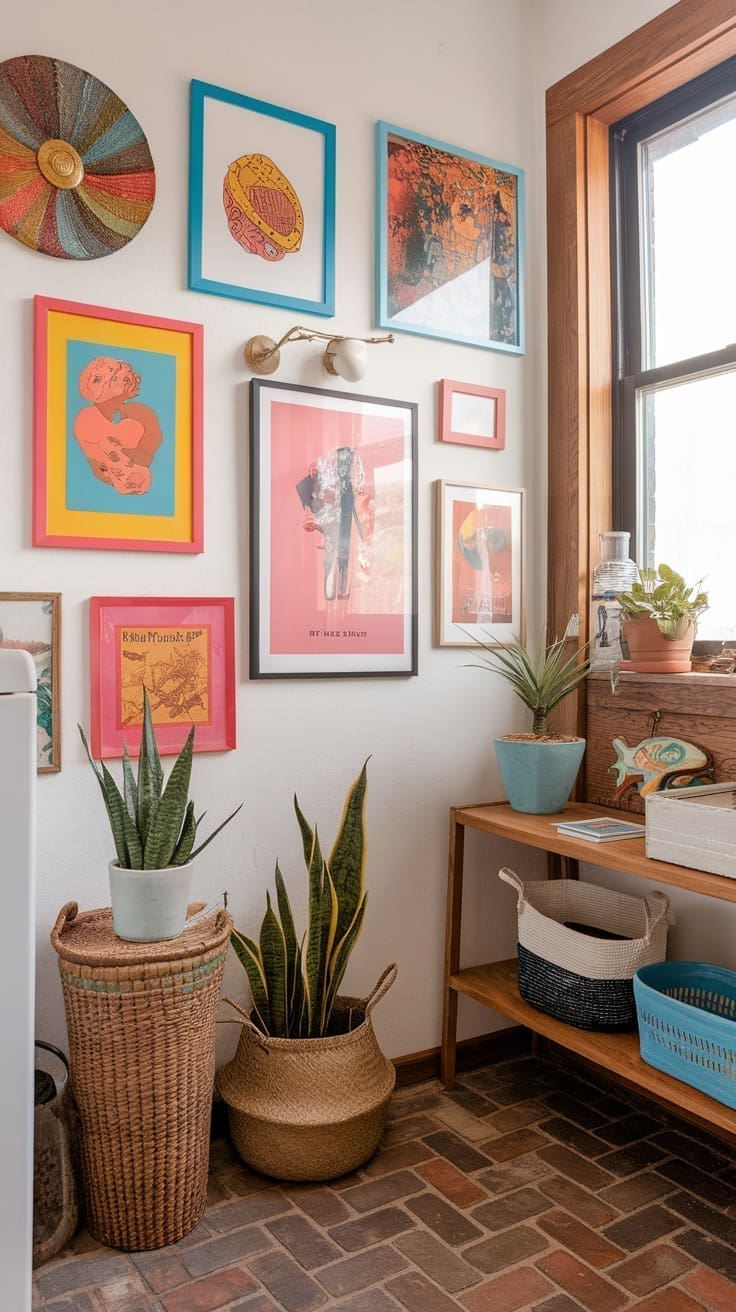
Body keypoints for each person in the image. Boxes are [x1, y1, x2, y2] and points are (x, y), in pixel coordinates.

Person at [73, 356, 163, 495]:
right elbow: (99, 468)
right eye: (126, 379)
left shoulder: (140, 412)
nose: (135, 381)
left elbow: (148, 452)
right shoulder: (87, 419)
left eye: (129, 378)